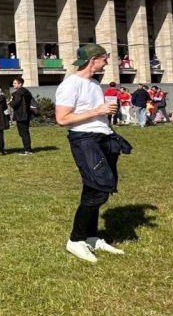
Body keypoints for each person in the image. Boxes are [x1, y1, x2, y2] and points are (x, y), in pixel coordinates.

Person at [55, 44, 129, 263]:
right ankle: (75, 240)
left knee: (94, 187)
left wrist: (106, 111)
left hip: (104, 137)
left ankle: (91, 236)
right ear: (93, 60)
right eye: (104, 58)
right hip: (85, 139)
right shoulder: (70, 84)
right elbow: (62, 119)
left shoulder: (94, 84)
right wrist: (97, 111)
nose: (107, 62)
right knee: (99, 190)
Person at [10, 77, 35, 155]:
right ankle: (28, 149)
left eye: (15, 83)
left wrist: (10, 102)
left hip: (21, 115)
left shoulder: (18, 92)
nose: (13, 84)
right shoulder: (26, 91)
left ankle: (27, 150)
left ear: (20, 84)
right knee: (25, 132)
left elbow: (15, 103)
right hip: (26, 114)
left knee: (23, 133)